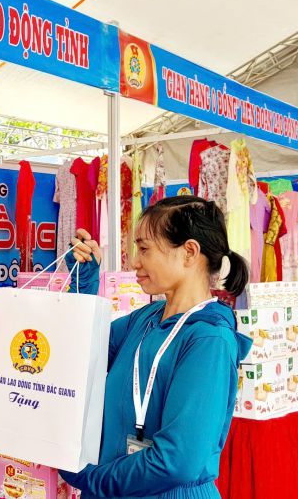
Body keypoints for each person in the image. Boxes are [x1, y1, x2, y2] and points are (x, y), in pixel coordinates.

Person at [60, 195, 252, 499]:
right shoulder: (147, 318)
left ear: (189, 252)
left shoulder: (208, 341)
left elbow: (177, 462)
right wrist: (84, 280)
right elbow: (82, 347)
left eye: (145, 249)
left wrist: (88, 477)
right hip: (115, 487)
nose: (135, 261)